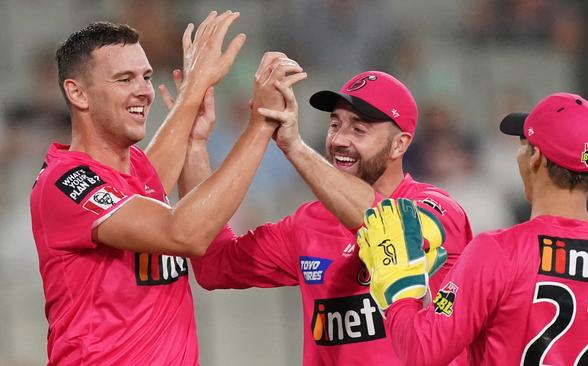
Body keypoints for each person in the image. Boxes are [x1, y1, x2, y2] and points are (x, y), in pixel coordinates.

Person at [29, 12, 306, 364]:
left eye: (145, 76)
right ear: (78, 93)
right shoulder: (65, 183)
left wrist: (193, 139)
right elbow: (184, 233)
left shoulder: (136, 176)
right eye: (124, 79)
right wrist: (261, 122)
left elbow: (163, 172)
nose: (144, 91)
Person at [189, 71, 473, 365]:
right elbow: (212, 263)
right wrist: (194, 145)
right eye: (335, 125)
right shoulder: (308, 223)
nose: (338, 140)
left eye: (359, 130)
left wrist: (295, 148)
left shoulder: (436, 209)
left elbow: (388, 226)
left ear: (399, 145)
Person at [358, 92, 588, 365]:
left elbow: (422, 350)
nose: (519, 153)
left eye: (523, 143)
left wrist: (399, 290)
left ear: (535, 157)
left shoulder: (498, 253)